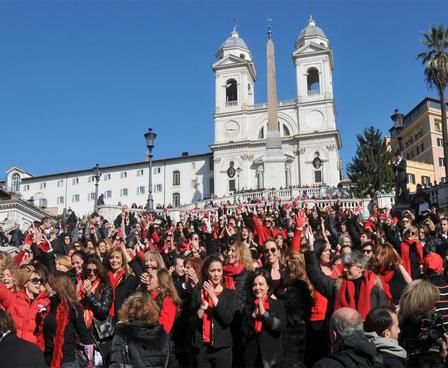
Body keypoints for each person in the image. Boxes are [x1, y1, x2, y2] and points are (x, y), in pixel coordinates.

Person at [109, 292, 179, 368]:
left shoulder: (122, 334)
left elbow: (115, 363)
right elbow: (172, 364)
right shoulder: (162, 334)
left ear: (127, 310)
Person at [191, 255, 236, 368]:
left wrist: (212, 296)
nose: (216, 274)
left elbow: (227, 319)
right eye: (213, 270)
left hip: (222, 349)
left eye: (219, 270)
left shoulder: (229, 294)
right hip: (202, 349)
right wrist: (201, 308)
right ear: (207, 272)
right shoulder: (197, 292)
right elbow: (192, 322)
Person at [43, 271, 93, 368]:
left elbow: (84, 334)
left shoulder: (72, 308)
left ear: (55, 286)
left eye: (47, 283)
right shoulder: (49, 307)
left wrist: (89, 359)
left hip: (67, 361)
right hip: (49, 360)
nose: (44, 286)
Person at [241, 268, 286, 368]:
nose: (257, 288)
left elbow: (281, 327)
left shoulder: (277, 304)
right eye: (254, 285)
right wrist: (253, 317)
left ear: (268, 286)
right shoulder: (248, 308)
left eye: (261, 284)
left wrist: (265, 314)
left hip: (272, 359)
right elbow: (244, 334)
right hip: (252, 359)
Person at [0, 265, 49, 350]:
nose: (38, 283)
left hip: (33, 350)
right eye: (35, 280)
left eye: (40, 280)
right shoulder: (14, 299)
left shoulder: (46, 302)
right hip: (14, 348)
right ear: (26, 283)